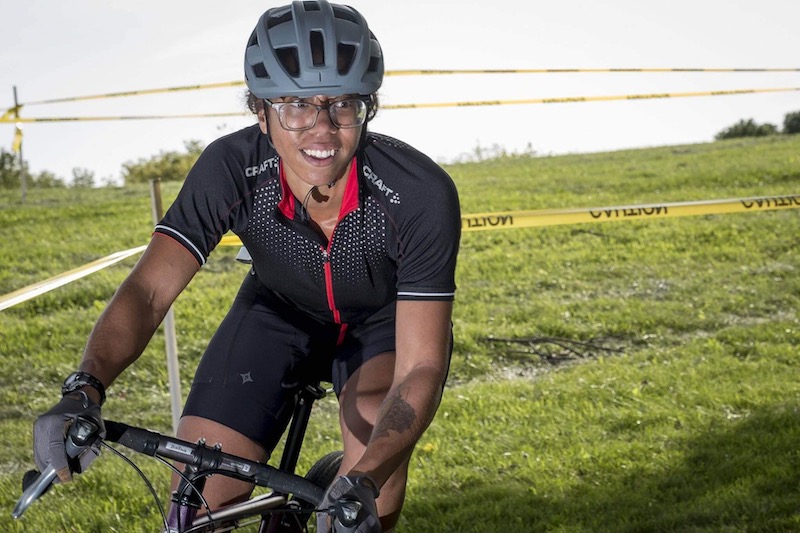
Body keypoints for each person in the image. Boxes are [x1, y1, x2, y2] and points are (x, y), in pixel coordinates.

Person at [32, 1, 460, 532]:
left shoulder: (419, 194)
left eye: (342, 105)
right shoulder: (231, 166)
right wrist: (84, 388)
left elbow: (420, 368)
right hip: (277, 309)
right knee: (197, 495)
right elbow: (148, 291)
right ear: (260, 111)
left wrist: (367, 479)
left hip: (380, 321)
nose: (321, 130)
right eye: (295, 107)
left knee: (370, 454)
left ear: (366, 106)